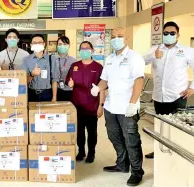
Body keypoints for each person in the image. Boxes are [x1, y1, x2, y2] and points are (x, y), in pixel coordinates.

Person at [90, 27, 145, 186]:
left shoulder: (134, 57)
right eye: (113, 36)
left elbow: (139, 80)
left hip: (127, 107)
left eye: (120, 36)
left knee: (131, 140)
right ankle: (122, 164)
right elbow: (104, 80)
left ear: (126, 38)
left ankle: (136, 171)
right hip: (110, 107)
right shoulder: (110, 59)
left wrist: (133, 103)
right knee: (115, 137)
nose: (116, 39)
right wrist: (97, 88)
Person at [143, 21, 194, 159]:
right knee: (160, 126)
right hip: (159, 96)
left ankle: (177, 154)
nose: (169, 35)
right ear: (162, 34)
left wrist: (192, 88)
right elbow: (141, 62)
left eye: (172, 33)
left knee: (177, 127)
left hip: (178, 96)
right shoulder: (155, 49)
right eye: (166, 33)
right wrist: (153, 55)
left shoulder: (187, 51)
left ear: (178, 35)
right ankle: (158, 150)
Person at [66, 41, 104, 163]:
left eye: (87, 48)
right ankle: (81, 151)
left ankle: (91, 153)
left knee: (92, 132)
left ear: (92, 50)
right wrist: (69, 83)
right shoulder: (74, 66)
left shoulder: (98, 67)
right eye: (82, 48)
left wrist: (101, 106)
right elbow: (69, 80)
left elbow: (103, 88)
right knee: (79, 131)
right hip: (77, 105)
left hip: (92, 105)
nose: (84, 50)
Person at [22, 34, 59, 102]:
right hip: (32, 94)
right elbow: (23, 82)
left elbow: (54, 80)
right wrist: (32, 74)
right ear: (31, 45)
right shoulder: (26, 60)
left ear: (44, 44)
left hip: (47, 93)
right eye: (34, 43)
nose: (37, 44)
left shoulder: (51, 59)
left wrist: (54, 97)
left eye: (39, 42)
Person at [56, 36, 77, 101]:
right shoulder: (52, 59)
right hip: (54, 91)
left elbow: (76, 78)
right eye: (60, 44)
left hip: (69, 91)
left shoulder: (74, 61)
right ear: (57, 46)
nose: (62, 46)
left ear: (69, 46)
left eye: (65, 44)